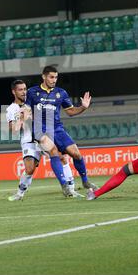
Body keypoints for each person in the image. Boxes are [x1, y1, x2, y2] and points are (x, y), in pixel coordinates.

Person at [25, 66, 97, 197]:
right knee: (54, 152)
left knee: (76, 154)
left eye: (56, 77)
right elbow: (26, 109)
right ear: (44, 77)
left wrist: (83, 107)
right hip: (40, 130)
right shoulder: (32, 92)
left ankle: (85, 182)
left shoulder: (61, 93)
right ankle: (64, 185)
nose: (54, 80)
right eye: (51, 77)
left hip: (58, 129)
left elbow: (70, 111)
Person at [6, 80, 79, 201]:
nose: (24, 92)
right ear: (13, 92)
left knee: (61, 157)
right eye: (20, 90)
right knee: (30, 169)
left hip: (44, 136)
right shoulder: (12, 109)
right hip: (29, 140)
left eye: (25, 89)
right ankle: (20, 193)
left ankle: (71, 189)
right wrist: (23, 119)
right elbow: (13, 130)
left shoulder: (35, 100)